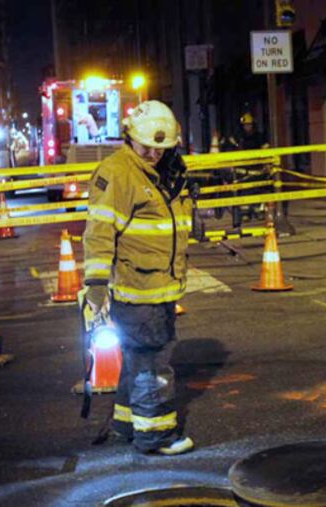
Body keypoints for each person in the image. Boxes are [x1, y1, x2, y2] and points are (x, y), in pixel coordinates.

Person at [83, 100, 195, 455]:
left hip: (159, 285)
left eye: (161, 148)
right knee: (152, 364)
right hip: (136, 289)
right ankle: (156, 436)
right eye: (146, 146)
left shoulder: (165, 171)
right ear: (130, 137)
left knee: (139, 357)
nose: (153, 154)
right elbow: (99, 232)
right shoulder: (117, 172)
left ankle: (127, 424)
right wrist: (97, 285)